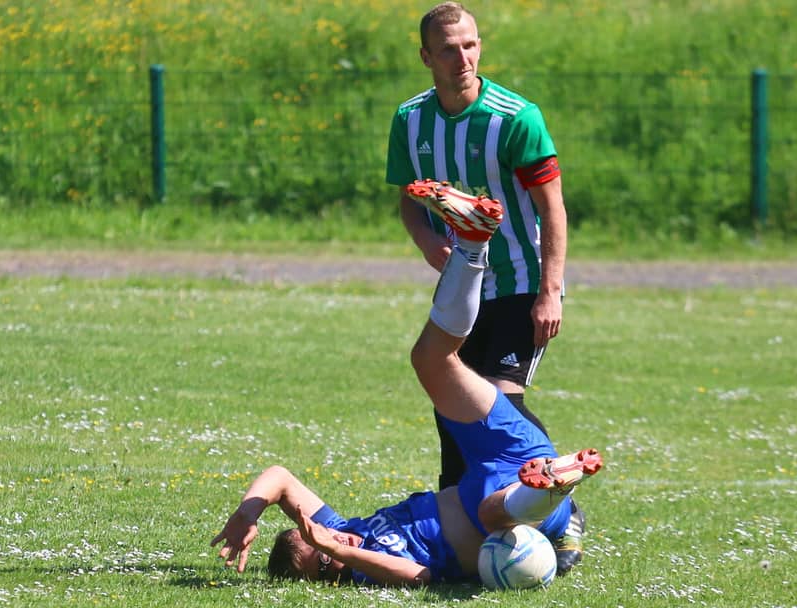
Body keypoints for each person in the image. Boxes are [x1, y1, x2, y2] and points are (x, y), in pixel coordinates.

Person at [211, 183, 602, 586]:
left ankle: (472, 243)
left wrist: (247, 513)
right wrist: (342, 554)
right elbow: (421, 576)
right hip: (513, 510)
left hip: (503, 457)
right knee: (492, 511)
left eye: (319, 535)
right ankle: (552, 490)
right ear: (329, 576)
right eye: (324, 559)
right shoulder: (365, 568)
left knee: (430, 360)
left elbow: (280, 478)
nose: (332, 540)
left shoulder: (346, 529)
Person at [384, 2, 584, 573]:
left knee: (501, 399)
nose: (462, 57)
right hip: (464, 285)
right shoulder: (410, 120)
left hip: (521, 281)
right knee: (453, 405)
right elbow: (409, 200)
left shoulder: (516, 117)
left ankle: (561, 506)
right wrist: (428, 242)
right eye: (448, 49)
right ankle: (461, 524)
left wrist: (550, 291)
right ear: (426, 56)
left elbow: (553, 209)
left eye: (470, 45)